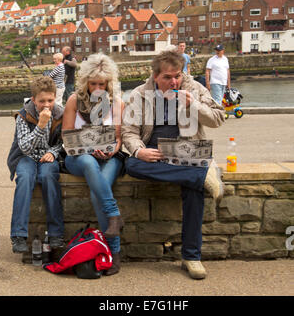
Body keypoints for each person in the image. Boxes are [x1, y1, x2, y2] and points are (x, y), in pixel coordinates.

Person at [121, 50, 225, 280]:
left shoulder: (195, 89)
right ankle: (200, 175)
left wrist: (194, 105)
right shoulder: (139, 94)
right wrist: (140, 150)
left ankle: (191, 257)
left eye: (177, 75)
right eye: (167, 77)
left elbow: (219, 118)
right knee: (131, 165)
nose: (174, 82)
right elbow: (128, 131)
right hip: (156, 155)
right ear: (156, 76)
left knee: (193, 190)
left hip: (187, 153)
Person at [62, 53, 125, 276]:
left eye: (102, 83)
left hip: (109, 157)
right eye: (93, 83)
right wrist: (89, 147)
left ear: (109, 83)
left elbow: (118, 139)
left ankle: (112, 253)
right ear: (85, 81)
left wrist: (111, 150)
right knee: (89, 161)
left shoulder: (117, 103)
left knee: (96, 194)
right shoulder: (73, 100)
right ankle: (114, 215)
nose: (97, 87)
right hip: (78, 157)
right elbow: (66, 135)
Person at [7, 76, 65, 254]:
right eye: (42, 101)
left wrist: (53, 153)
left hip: (48, 156)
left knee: (48, 177)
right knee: (25, 178)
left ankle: (56, 233)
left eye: (50, 100)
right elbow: (24, 147)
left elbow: (63, 142)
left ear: (55, 98)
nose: (46, 105)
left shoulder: (60, 114)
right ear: (33, 100)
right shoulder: (24, 115)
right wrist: (41, 124)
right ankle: (18, 234)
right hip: (26, 156)